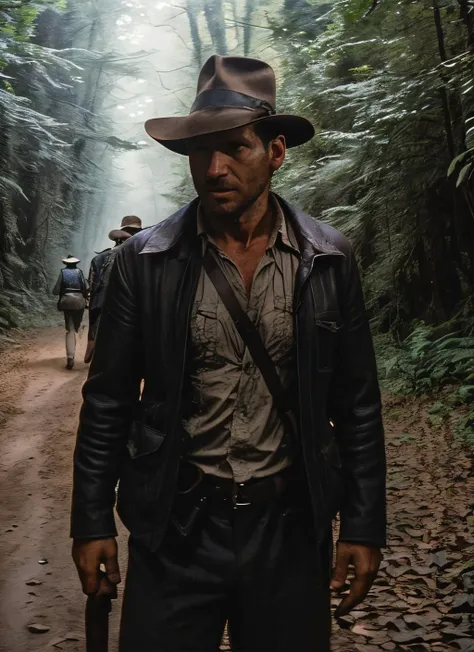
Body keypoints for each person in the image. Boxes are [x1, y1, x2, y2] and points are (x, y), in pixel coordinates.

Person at [71, 55, 386, 652]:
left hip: (289, 530)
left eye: (235, 148)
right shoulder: (146, 262)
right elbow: (109, 400)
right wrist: (90, 523)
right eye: (200, 151)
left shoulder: (329, 259)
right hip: (177, 529)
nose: (214, 168)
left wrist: (365, 525)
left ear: (276, 151)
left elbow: (358, 404)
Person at [84, 215, 143, 364]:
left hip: (102, 309)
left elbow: (93, 293)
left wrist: (91, 334)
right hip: (134, 313)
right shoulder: (144, 257)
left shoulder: (99, 259)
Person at [52, 255, 88, 370]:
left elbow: (56, 290)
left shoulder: (62, 272)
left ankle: (70, 357)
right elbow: (85, 288)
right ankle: (78, 329)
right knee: (75, 327)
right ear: (76, 264)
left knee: (70, 329)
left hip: (67, 301)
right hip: (79, 302)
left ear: (66, 264)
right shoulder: (80, 273)